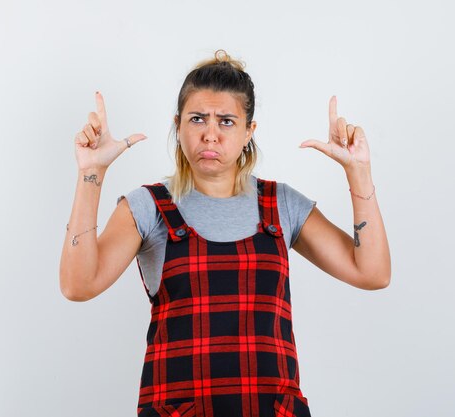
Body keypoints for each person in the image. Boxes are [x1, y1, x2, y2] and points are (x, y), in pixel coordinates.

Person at [59, 49, 391, 417]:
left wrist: (358, 171)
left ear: (250, 130)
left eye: (227, 121)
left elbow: (372, 273)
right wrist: (91, 174)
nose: (210, 135)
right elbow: (78, 285)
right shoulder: (148, 207)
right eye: (197, 119)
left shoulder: (282, 205)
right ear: (178, 124)